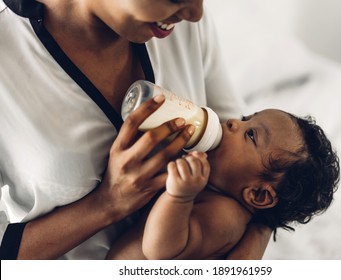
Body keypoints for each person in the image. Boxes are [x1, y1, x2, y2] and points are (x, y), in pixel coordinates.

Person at [0, 0, 271, 259]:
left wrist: (250, 247)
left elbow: (261, 170)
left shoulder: (180, 25)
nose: (195, 13)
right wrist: (108, 203)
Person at [106, 109, 340, 260]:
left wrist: (179, 197)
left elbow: (159, 250)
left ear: (258, 194)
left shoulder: (225, 217)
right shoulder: (218, 193)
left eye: (250, 135)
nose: (232, 124)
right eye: (245, 119)